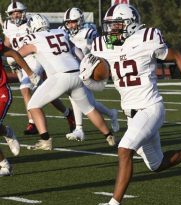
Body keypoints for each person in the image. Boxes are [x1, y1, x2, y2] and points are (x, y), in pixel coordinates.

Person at [84, 4, 181, 205]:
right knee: (156, 164)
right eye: (110, 25)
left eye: (117, 25)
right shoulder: (103, 44)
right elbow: (98, 74)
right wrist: (89, 74)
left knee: (124, 149)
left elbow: (176, 55)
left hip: (150, 107)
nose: (112, 30)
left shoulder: (146, 37)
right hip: (131, 113)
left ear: (130, 24)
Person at [18, 14, 115, 150]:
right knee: (89, 109)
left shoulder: (34, 38)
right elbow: (78, 51)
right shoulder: (60, 32)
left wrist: (22, 67)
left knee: (33, 105)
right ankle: (109, 136)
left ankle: (45, 140)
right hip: (76, 73)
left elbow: (17, 54)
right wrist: (84, 68)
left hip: (59, 76)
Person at [2, 1, 76, 135]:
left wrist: (15, 57)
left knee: (25, 88)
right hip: (19, 60)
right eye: (13, 13)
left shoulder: (32, 22)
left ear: (24, 12)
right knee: (43, 90)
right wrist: (11, 56)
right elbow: (7, 42)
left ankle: (33, 123)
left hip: (34, 59)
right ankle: (68, 113)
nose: (16, 15)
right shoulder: (7, 25)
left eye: (18, 12)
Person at [62, 7, 119, 141]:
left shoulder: (89, 32)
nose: (71, 25)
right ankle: (111, 113)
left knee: (77, 98)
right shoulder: (64, 33)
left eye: (74, 21)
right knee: (88, 103)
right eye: (68, 22)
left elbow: (99, 48)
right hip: (74, 69)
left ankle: (79, 129)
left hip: (88, 70)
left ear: (80, 20)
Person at [0, 38, 40, 176]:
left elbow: (15, 54)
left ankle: (5, 165)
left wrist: (30, 73)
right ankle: (7, 132)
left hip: (1, 92)